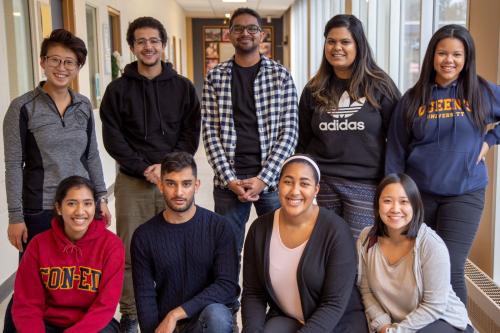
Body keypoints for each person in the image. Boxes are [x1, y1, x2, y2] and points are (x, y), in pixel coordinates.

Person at [3, 28, 109, 333]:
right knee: (31, 281)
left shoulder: (84, 105)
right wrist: (15, 216)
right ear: (42, 62)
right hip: (40, 209)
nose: (62, 68)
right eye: (55, 60)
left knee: (77, 276)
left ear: (78, 68)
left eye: (70, 62)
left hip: (80, 209)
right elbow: (13, 165)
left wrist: (100, 198)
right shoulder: (23, 107)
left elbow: (91, 156)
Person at [385, 24, 500, 304]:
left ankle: (458, 326)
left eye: (457, 55)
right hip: (419, 196)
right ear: (432, 57)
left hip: (464, 193)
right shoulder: (412, 99)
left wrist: (490, 139)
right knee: (420, 265)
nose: (449, 60)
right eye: (442, 53)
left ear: (466, 58)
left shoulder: (482, 91)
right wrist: (395, 196)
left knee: (449, 266)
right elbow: (396, 151)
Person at [99, 17, 201, 332]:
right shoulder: (117, 90)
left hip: (174, 180)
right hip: (133, 182)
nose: (148, 46)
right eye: (141, 41)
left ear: (163, 44)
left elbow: (190, 132)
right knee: (131, 249)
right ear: (132, 47)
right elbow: (113, 138)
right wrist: (144, 167)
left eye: (154, 40)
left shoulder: (183, 87)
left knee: (180, 245)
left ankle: (179, 310)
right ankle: (131, 313)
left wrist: (166, 167)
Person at [202, 7, 298, 253]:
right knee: (226, 251)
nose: (245, 33)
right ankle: (228, 293)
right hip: (228, 183)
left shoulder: (281, 76)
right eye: (238, 28)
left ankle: (272, 293)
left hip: (273, 182)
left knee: (279, 247)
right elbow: (210, 134)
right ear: (230, 35)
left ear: (261, 35)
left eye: (252, 28)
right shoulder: (215, 77)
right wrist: (230, 179)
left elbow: (289, 133)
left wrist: (263, 179)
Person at [297, 14, 400, 239]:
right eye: (331, 41)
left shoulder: (380, 85)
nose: (337, 48)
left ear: (358, 45)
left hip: (365, 185)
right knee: (325, 248)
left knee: (358, 251)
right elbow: (303, 141)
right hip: (322, 184)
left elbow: (398, 138)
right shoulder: (314, 89)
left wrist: (393, 182)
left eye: (345, 42)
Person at [242, 154, 368, 332]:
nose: (295, 191)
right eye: (288, 181)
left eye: (304, 183)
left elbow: (334, 303)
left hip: (337, 323)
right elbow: (253, 293)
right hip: (288, 319)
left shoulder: (336, 231)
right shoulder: (259, 230)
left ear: (316, 190)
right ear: (278, 185)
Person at [131, 152, 240, 333]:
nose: (179, 192)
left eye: (186, 184)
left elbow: (227, 285)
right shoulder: (144, 236)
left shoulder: (219, 227)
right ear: (160, 185)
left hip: (206, 322)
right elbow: (145, 296)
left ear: (196, 185)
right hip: (168, 328)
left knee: (217, 315)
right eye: (171, 183)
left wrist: (176, 314)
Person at [357, 173, 473, 333]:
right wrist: (383, 326)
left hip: (442, 321)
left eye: (404, 201)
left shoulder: (431, 244)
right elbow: (366, 290)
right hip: (396, 326)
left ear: (415, 206)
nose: (395, 209)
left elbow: (435, 305)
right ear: (378, 205)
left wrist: (397, 331)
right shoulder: (366, 238)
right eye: (387, 201)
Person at [12, 176, 124, 333]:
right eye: (71, 203)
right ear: (59, 208)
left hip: (91, 325)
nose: (80, 211)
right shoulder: (38, 245)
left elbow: (105, 306)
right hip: (48, 323)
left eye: (87, 203)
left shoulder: (112, 246)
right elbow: (27, 304)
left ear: (95, 207)